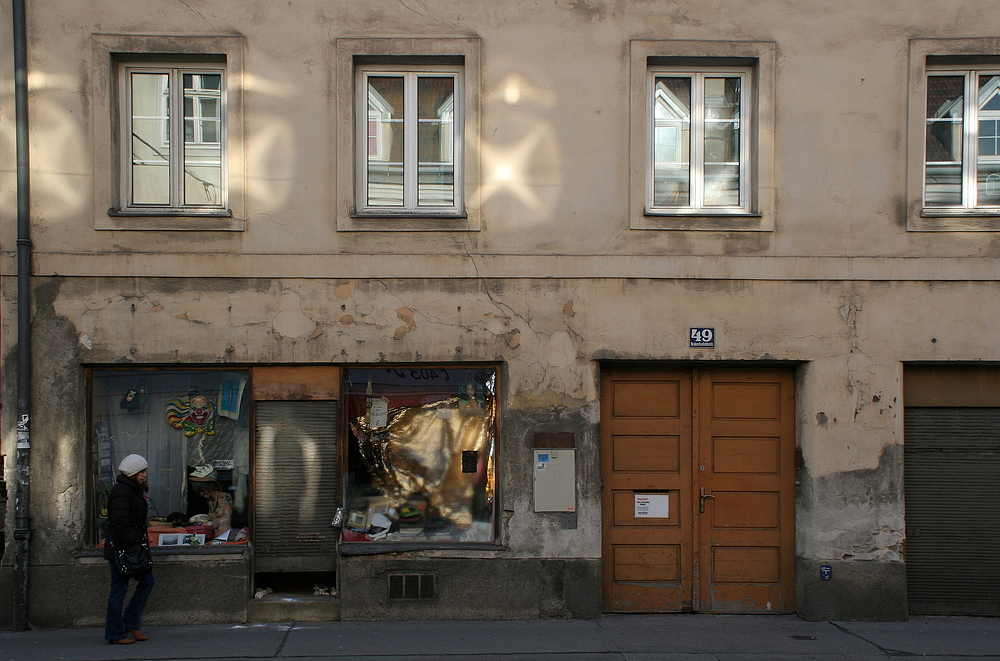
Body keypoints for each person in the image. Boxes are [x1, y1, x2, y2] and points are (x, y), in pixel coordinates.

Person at [103, 454, 154, 645]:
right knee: (119, 590)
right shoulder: (122, 492)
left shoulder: (131, 490)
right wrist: (134, 543)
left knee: (147, 582)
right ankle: (116, 633)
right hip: (123, 552)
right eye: (141, 472)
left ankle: (131, 624)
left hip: (131, 550)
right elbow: (119, 523)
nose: (145, 475)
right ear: (133, 473)